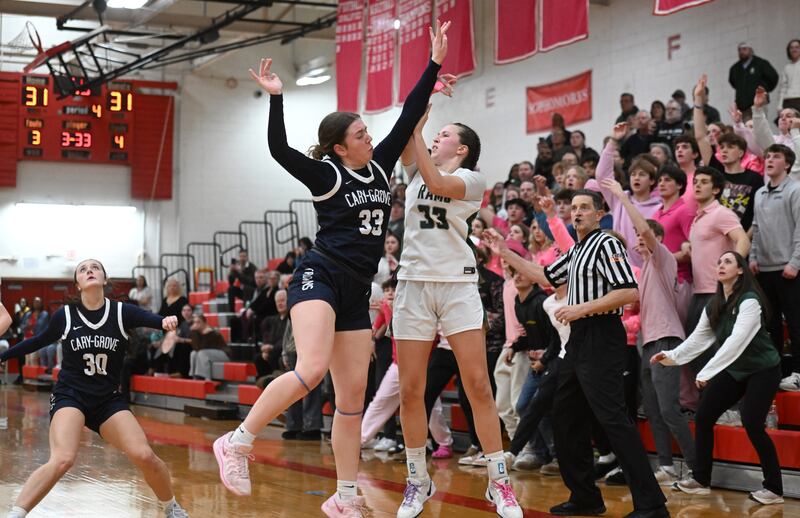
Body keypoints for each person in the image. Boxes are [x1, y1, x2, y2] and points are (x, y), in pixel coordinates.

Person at [212, 22, 452, 518]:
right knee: (311, 368)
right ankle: (236, 442)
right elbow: (280, 151)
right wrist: (277, 99)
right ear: (341, 147)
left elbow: (408, 115)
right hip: (317, 276)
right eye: (360, 133)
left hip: (356, 289)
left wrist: (433, 64)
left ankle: (344, 496)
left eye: (368, 131)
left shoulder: (382, 165)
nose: (370, 136)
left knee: (351, 400)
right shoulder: (328, 173)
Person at [484, 190, 668, 518]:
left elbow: (628, 291)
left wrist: (581, 308)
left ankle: (652, 504)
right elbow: (544, 276)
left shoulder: (606, 243)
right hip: (578, 341)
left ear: (599, 215)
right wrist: (504, 253)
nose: (577, 212)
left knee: (613, 419)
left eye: (585, 208)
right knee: (565, 416)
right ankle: (585, 497)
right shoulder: (577, 250)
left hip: (601, 335)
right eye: (575, 208)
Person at [393, 108, 522, 518]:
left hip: (458, 286)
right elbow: (408, 134)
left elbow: (435, 179)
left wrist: (417, 129)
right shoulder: (414, 171)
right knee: (411, 391)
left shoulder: (471, 179)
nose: (435, 136)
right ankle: (417, 480)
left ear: (461, 148)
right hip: (413, 284)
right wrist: (427, 91)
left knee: (478, 386)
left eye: (443, 134)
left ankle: (499, 481)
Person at [0, 259, 188, 518]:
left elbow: (153, 319)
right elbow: (38, 341)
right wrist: (3, 355)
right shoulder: (65, 316)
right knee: (63, 458)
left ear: (105, 279)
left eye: (95, 267)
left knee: (144, 455)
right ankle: (15, 515)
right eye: (83, 269)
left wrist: (166, 320)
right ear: (78, 284)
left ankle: (172, 508)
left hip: (108, 400)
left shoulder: (122, 312)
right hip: (71, 396)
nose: (89, 271)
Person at [652, 252, 784, 505]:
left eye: (728, 262)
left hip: (763, 370)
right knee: (703, 416)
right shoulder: (714, 303)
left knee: (753, 424)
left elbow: (736, 342)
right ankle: (701, 480)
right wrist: (670, 356)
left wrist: (707, 372)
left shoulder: (750, 301)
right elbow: (699, 338)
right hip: (736, 369)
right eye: (719, 262)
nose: (721, 265)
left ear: (741, 270)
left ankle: (774, 489)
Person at [602, 177, 697, 485]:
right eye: (639, 239)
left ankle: (698, 469)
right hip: (647, 343)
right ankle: (668, 466)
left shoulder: (663, 260)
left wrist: (622, 198)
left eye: (647, 238)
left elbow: (643, 229)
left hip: (667, 340)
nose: (640, 240)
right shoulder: (640, 274)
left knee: (670, 409)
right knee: (654, 410)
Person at [749, 144, 800, 391]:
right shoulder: (759, 193)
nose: (769, 160)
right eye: (767, 156)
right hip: (765, 270)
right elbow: (756, 228)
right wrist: (753, 257)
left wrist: (795, 262)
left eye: (776, 157)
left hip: (790, 269)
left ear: (787, 164)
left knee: (796, 321)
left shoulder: (796, 190)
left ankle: (798, 373)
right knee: (770, 325)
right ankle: (775, 371)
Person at [729, 42, 779, 114]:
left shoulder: (761, 63)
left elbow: (773, 77)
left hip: (759, 104)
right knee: (745, 124)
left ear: (751, 50)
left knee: (759, 123)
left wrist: (765, 90)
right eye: (739, 50)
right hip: (742, 106)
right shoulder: (735, 68)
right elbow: (733, 82)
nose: (741, 52)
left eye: (744, 49)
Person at [188, 313, 230, 380]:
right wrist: (193, 332)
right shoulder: (197, 332)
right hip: (208, 353)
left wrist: (200, 333)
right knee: (193, 353)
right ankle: (195, 377)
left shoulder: (211, 332)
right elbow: (196, 348)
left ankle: (207, 379)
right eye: (195, 322)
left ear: (204, 323)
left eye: (199, 322)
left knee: (202, 353)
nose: (196, 324)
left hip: (223, 354)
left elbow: (201, 347)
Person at [779, 39, 800, 111]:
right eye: (791, 47)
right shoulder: (786, 67)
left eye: (797, 47)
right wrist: (779, 105)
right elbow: (783, 88)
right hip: (788, 100)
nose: (794, 50)